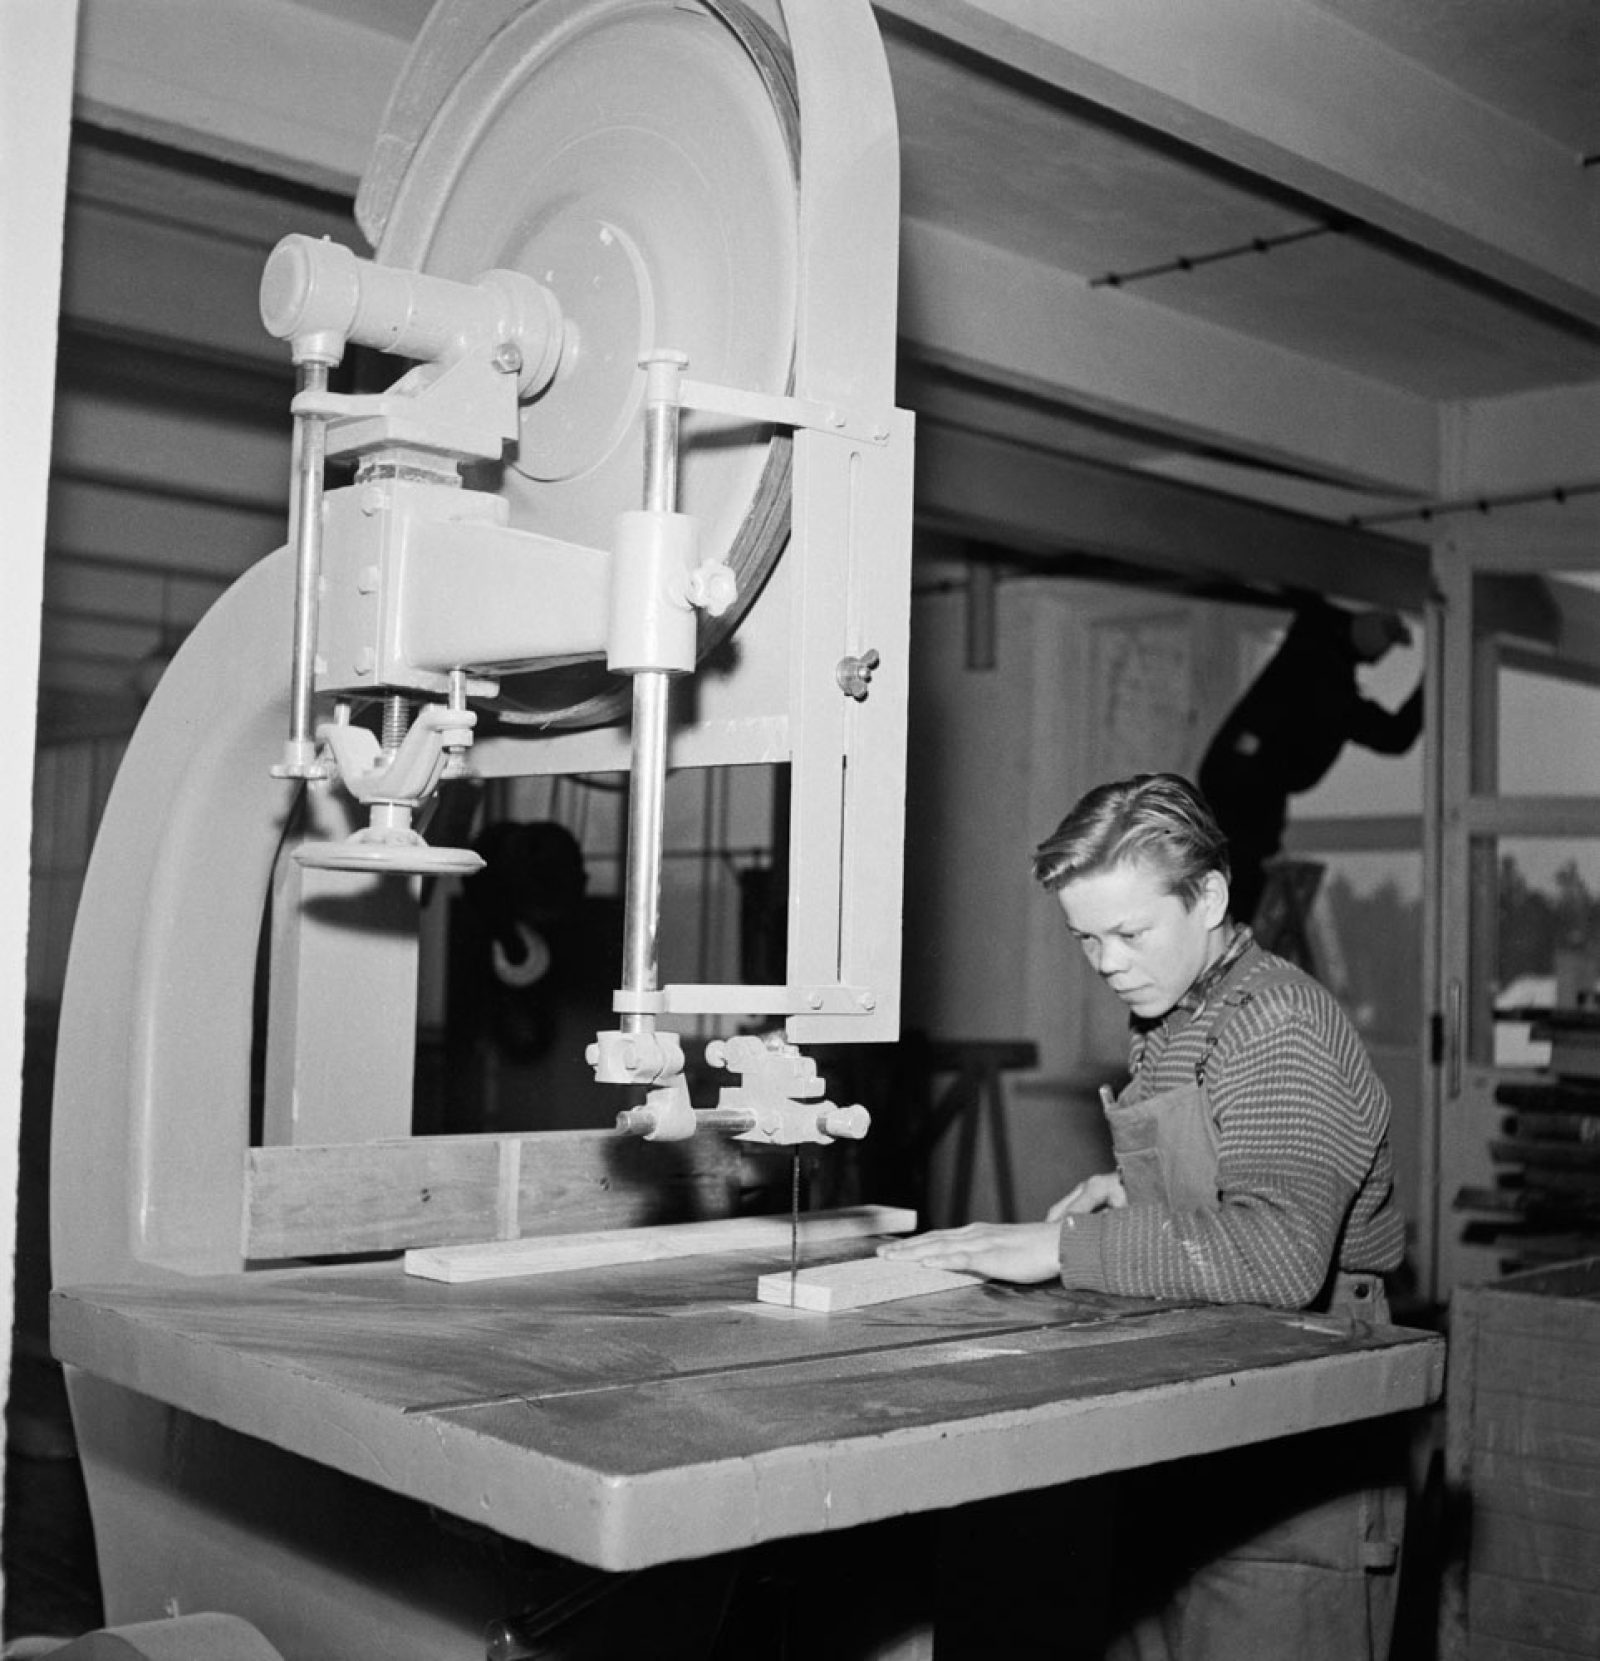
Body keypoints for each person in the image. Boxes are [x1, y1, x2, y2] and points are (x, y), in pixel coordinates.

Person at [881, 772, 1408, 1659]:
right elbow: (1238, 1174)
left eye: (1129, 931)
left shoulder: (1274, 1020)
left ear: (1209, 896)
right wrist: (1134, 1195)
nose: (1108, 961)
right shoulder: (1177, 1014)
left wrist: (1066, 1244)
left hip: (1300, 1437)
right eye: (1085, 937)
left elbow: (1279, 1258)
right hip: (1204, 1410)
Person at [1198, 602, 1421, 925]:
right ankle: (1236, 950)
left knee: (1241, 869)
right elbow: (1394, 736)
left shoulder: (1311, 637)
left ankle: (1234, 943)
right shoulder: (1331, 688)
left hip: (1235, 776)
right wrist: (1433, 685)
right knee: (1246, 873)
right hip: (1247, 785)